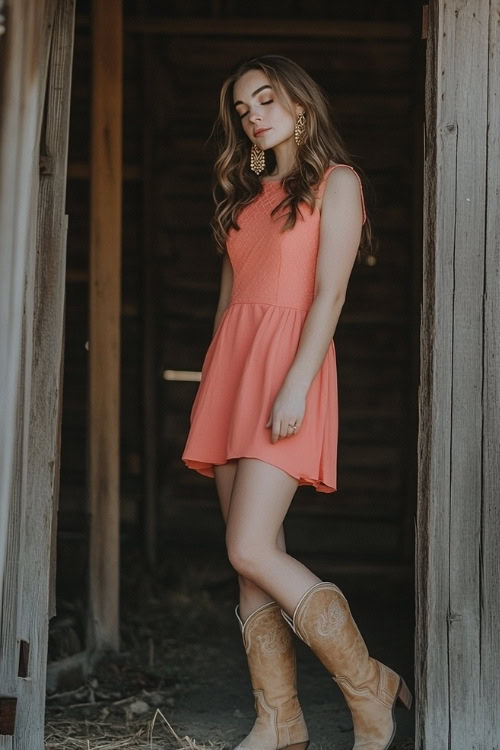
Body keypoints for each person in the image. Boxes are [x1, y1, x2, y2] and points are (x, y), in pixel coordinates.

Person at [181, 54, 412, 750]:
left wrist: (295, 383)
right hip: (232, 373)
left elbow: (329, 295)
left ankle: (369, 685)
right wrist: (208, 387)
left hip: (290, 369)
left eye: (265, 99)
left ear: (302, 106)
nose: (252, 114)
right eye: (242, 107)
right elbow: (231, 304)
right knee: (251, 558)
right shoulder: (243, 198)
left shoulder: (338, 183)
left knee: (248, 544)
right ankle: (279, 720)